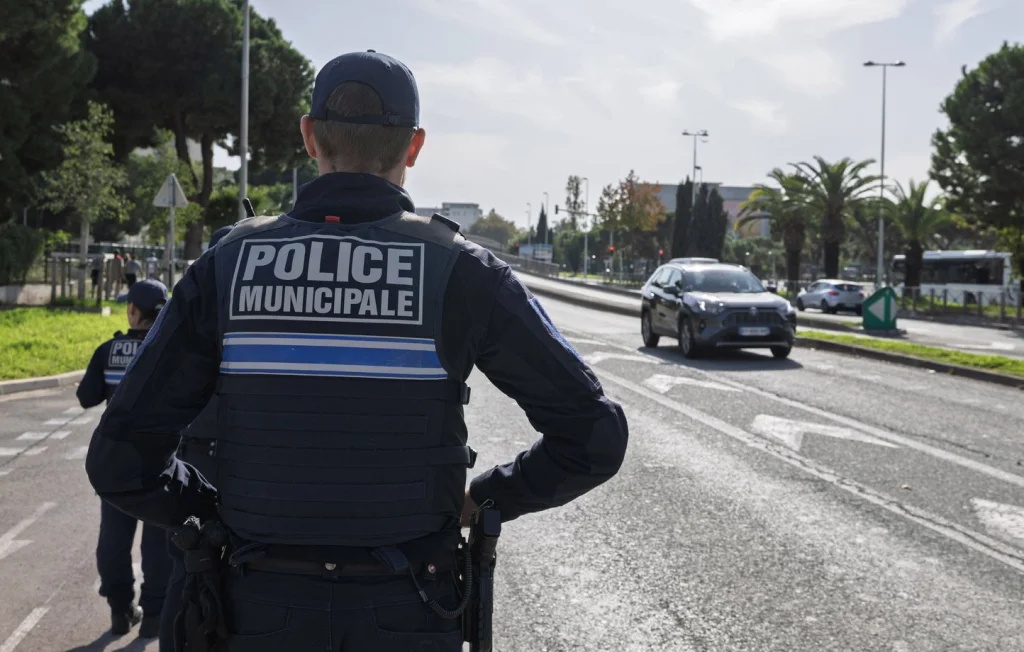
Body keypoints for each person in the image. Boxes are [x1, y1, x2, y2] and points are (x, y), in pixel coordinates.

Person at [86, 50, 628, 651]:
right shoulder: (463, 272)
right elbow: (594, 437)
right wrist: (486, 498)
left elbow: (119, 462)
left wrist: (216, 512)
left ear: (309, 136)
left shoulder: (227, 266)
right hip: (412, 609)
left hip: (252, 609)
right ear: (415, 146)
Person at [77, 279, 173, 639]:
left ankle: (120, 610)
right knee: (158, 541)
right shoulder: (169, 349)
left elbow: (86, 397)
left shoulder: (108, 349)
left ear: (133, 311)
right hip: (161, 461)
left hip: (116, 464)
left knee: (114, 540)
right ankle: (154, 614)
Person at [157, 225, 232, 652]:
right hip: (235, 462)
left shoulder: (187, 309)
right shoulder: (253, 308)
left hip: (193, 459)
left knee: (186, 573)